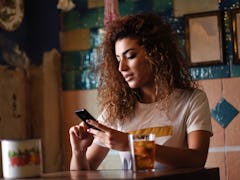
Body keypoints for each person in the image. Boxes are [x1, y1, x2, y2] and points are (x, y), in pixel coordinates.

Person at [69, 12, 212, 170]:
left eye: (130, 56)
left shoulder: (192, 100)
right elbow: (83, 172)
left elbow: (197, 159)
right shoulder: (117, 110)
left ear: (156, 54)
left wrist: (132, 144)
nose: (121, 68)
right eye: (118, 59)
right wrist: (79, 151)